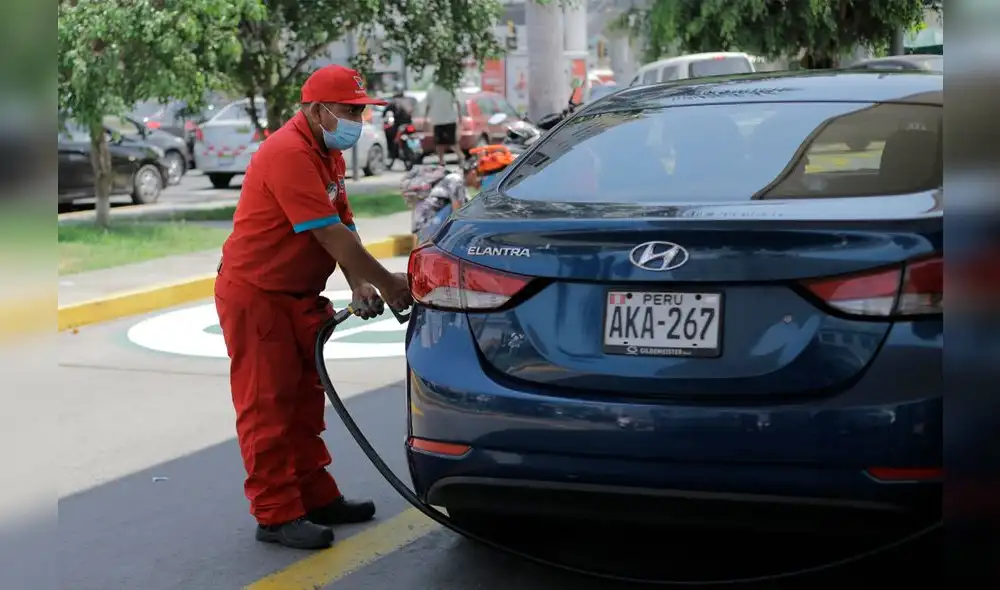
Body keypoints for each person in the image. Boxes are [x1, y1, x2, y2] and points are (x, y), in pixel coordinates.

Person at [214, 64, 413, 551]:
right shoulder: (287, 153)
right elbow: (326, 233)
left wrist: (359, 283)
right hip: (258, 297)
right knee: (268, 408)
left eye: (360, 112)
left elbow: (341, 225)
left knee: (304, 404)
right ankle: (276, 513)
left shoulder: (326, 152)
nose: (358, 122)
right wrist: (387, 283)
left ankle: (314, 496)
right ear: (317, 109)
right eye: (350, 111)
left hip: (298, 296)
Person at [423, 81, 464, 166]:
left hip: (449, 119)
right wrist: (425, 118)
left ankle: (461, 157)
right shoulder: (432, 88)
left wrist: (460, 116)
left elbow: (457, 102)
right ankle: (441, 161)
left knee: (452, 142)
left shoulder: (450, 87)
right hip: (437, 120)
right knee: (439, 143)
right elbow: (428, 104)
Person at [383, 91, 412, 164]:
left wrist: (383, 117)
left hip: (399, 125)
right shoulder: (408, 101)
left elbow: (385, 111)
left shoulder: (395, 102)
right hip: (410, 125)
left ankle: (391, 152)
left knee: (388, 133)